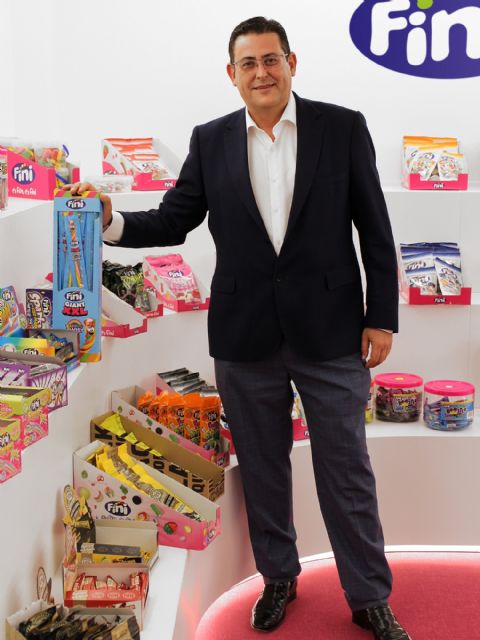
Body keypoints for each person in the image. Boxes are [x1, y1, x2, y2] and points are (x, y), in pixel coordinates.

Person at [69, 16, 411, 639]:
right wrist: (111, 220)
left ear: (292, 64)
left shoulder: (342, 127)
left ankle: (369, 594)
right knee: (261, 467)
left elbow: (375, 229)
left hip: (332, 332)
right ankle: (278, 577)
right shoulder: (211, 139)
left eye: (271, 59)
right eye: (248, 63)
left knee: (347, 472)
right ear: (232, 74)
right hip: (244, 334)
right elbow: (173, 219)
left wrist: (381, 317)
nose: (262, 72)